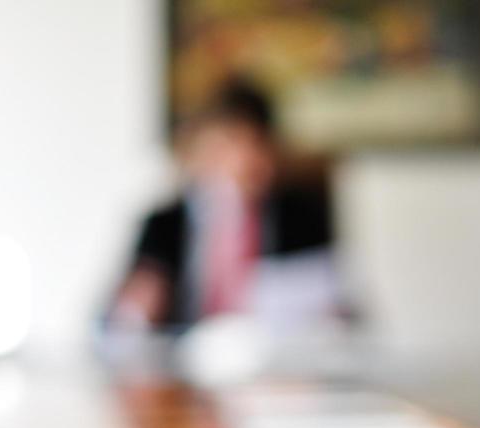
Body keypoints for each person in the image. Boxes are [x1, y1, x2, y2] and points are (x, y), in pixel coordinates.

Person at [101, 79, 338, 338]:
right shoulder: (164, 223)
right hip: (183, 367)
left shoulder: (302, 217)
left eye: (254, 144)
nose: (242, 160)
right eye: (229, 144)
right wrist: (133, 311)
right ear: (199, 150)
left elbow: (340, 307)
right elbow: (111, 323)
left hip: (275, 368)